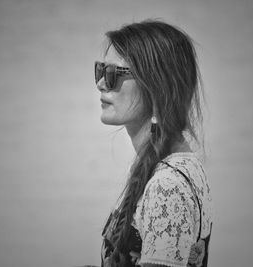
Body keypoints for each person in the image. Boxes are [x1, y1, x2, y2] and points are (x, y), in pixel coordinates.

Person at [94, 20, 213, 267]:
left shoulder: (167, 185)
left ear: (156, 86)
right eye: (100, 70)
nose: (101, 83)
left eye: (113, 74)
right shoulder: (166, 166)